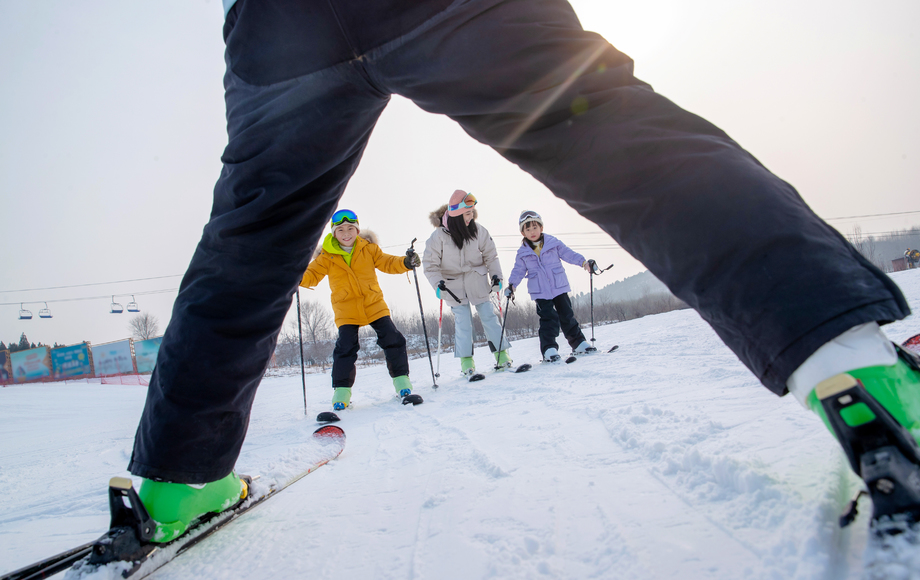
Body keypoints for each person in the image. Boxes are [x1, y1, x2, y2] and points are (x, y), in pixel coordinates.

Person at [126, 0, 918, 544]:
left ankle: (178, 479)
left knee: (251, 234)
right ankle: (850, 363)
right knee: (603, 127)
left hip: (277, 27)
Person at [299, 209, 420, 411]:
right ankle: (341, 393)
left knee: (393, 338)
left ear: (357, 230)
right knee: (345, 348)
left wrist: (405, 262)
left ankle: (402, 384)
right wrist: (294, 273)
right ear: (334, 233)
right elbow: (311, 276)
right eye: (341, 230)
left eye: (350, 228)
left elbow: (388, 262)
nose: (346, 233)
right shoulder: (326, 257)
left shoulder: (368, 249)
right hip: (346, 309)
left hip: (373, 304)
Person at [423, 190, 511, 377]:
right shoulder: (438, 237)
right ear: (456, 215)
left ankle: (502, 355)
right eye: (467, 213)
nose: (471, 217)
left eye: (472, 212)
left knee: (488, 316)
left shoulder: (478, 230)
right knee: (463, 322)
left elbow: (491, 255)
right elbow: (430, 265)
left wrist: (496, 277)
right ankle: (467, 362)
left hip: (476, 280)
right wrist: (438, 285)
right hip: (452, 287)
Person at [506, 210, 595, 362]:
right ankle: (549, 349)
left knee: (567, 315)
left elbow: (568, 254)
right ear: (523, 233)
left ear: (541, 227)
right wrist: (512, 285)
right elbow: (518, 271)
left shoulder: (553, 243)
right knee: (548, 319)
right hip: (540, 291)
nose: (532, 232)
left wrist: (583, 262)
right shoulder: (523, 253)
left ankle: (578, 343)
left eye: (535, 227)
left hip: (558, 286)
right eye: (528, 229)